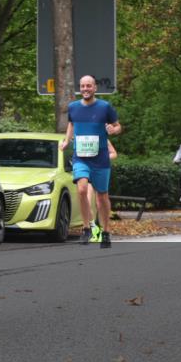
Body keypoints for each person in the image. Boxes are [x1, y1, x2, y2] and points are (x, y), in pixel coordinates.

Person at [59, 75, 122, 249]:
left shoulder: (104, 107)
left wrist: (113, 129)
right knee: (82, 188)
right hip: (81, 156)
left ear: (94, 88)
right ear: (80, 88)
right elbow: (71, 125)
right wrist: (66, 141)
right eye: (82, 86)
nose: (85, 89)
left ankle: (106, 232)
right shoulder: (73, 107)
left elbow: (118, 126)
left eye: (89, 86)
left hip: (100, 157)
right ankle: (86, 228)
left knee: (102, 197)